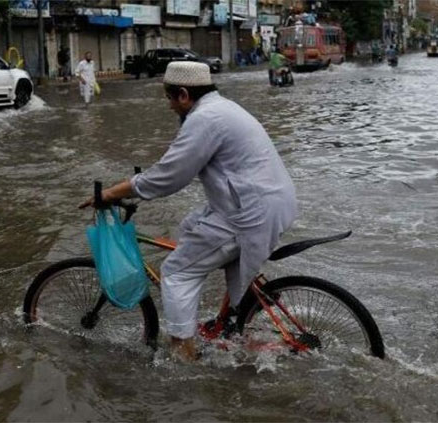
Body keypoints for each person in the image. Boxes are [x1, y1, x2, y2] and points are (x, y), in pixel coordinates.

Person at [79, 62, 297, 361]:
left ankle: (183, 354)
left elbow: (169, 176)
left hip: (248, 211)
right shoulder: (222, 108)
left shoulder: (205, 119)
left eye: (169, 99)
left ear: (183, 94)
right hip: (264, 202)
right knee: (190, 225)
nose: (169, 107)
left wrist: (110, 194)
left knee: (176, 271)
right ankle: (236, 317)